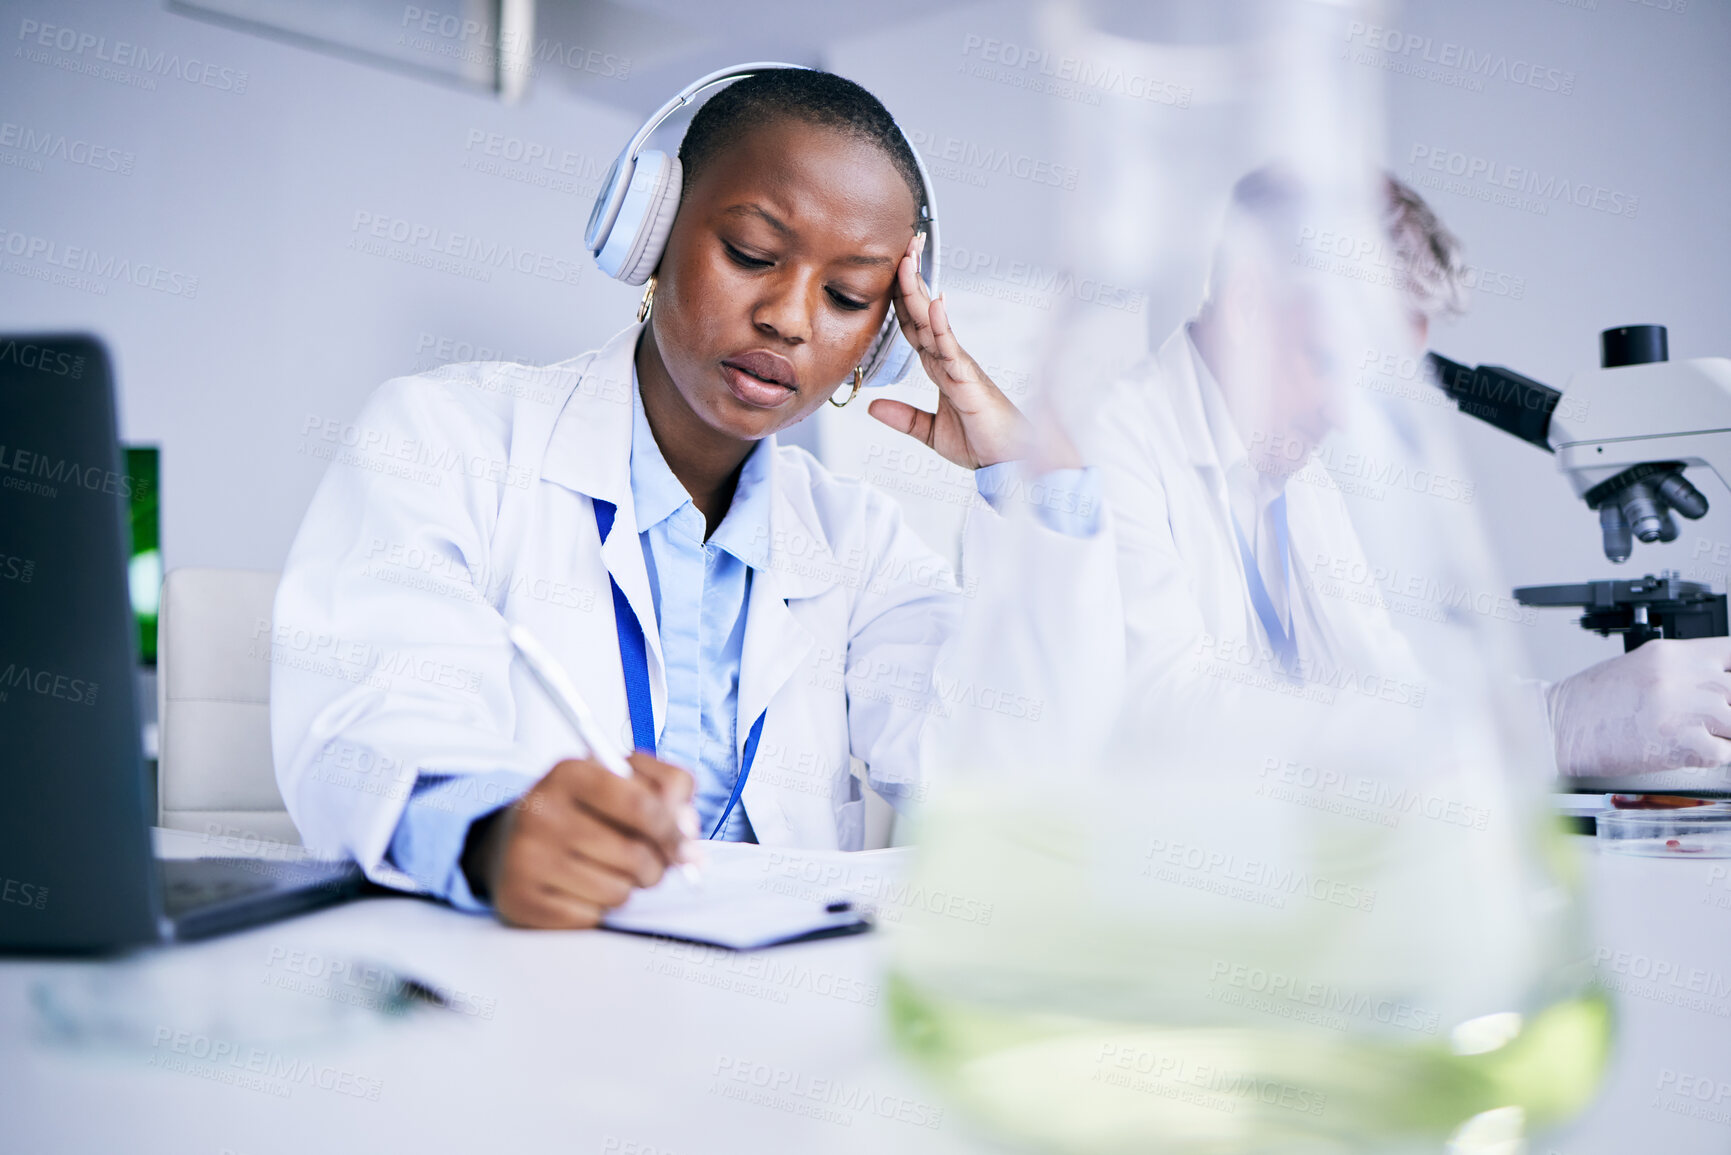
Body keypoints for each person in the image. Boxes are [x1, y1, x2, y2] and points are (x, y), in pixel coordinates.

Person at [270, 67, 1111, 929]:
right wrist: (494, 830)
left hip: (776, 1011)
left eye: (848, 296)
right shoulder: (447, 439)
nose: (788, 317)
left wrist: (1038, 485)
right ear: (650, 232)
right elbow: (367, 719)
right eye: (750, 252)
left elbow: (1007, 773)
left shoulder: (860, 543)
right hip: (535, 988)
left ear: (881, 339)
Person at [1083, 165, 1731, 778]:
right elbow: (1166, 719)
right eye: (1334, 360)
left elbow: (1393, 695)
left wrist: (1587, 716)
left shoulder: (1294, 480)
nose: (1342, 412)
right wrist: (1547, 726)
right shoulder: (1111, 442)